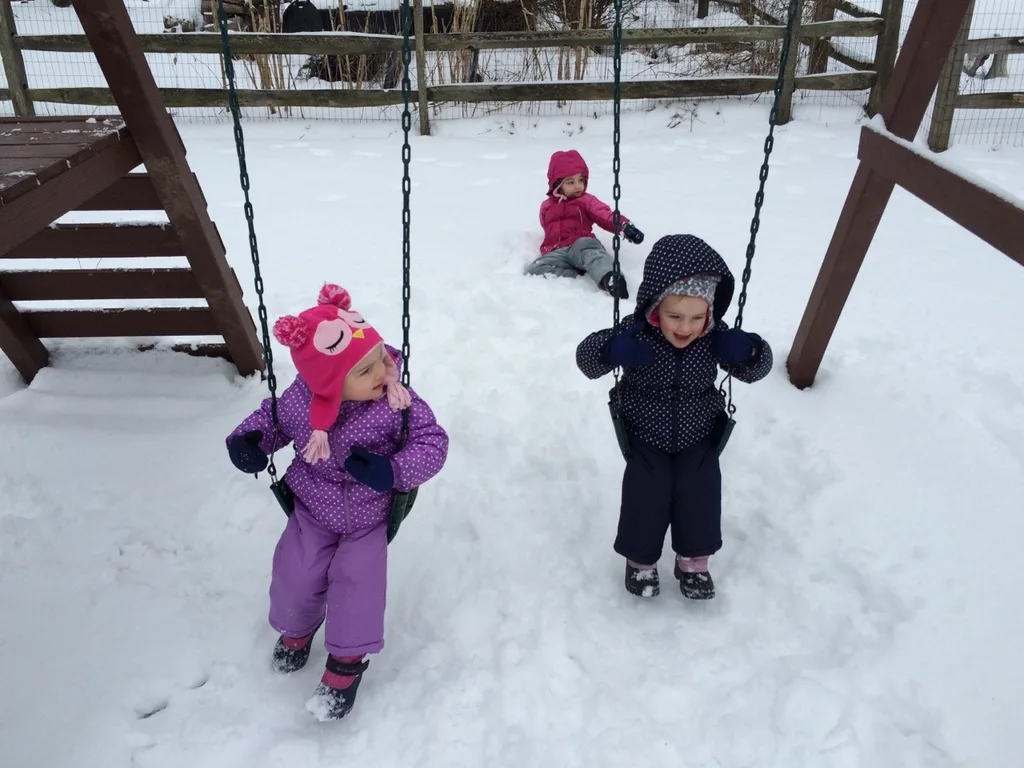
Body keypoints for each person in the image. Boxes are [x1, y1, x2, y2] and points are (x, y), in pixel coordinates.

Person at [225, 283, 449, 720]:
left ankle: (346, 663)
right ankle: (296, 628)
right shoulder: (301, 402)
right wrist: (249, 442)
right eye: (366, 371)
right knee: (297, 571)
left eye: (382, 358)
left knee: (356, 581)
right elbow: (271, 421)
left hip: (370, 514)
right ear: (328, 383)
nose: (384, 373)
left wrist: (393, 471)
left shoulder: (396, 403)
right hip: (312, 508)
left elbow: (432, 443)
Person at [575, 235, 772, 600]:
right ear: (655, 307)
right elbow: (585, 359)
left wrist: (750, 351)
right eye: (675, 316)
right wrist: (611, 349)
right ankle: (641, 562)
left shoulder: (714, 338)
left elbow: (756, 370)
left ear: (710, 313)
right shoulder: (637, 335)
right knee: (646, 490)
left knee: (700, 490)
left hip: (698, 432)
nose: (685, 327)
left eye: (698, 317)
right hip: (644, 431)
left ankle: (694, 562)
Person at [525, 149, 644, 298]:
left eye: (581, 180)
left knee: (593, 253)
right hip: (557, 252)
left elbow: (604, 215)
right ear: (557, 184)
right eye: (571, 182)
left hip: (581, 245)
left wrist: (624, 226)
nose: (578, 186)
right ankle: (576, 276)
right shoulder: (546, 207)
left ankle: (610, 277)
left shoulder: (586, 200)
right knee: (535, 269)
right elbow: (546, 226)